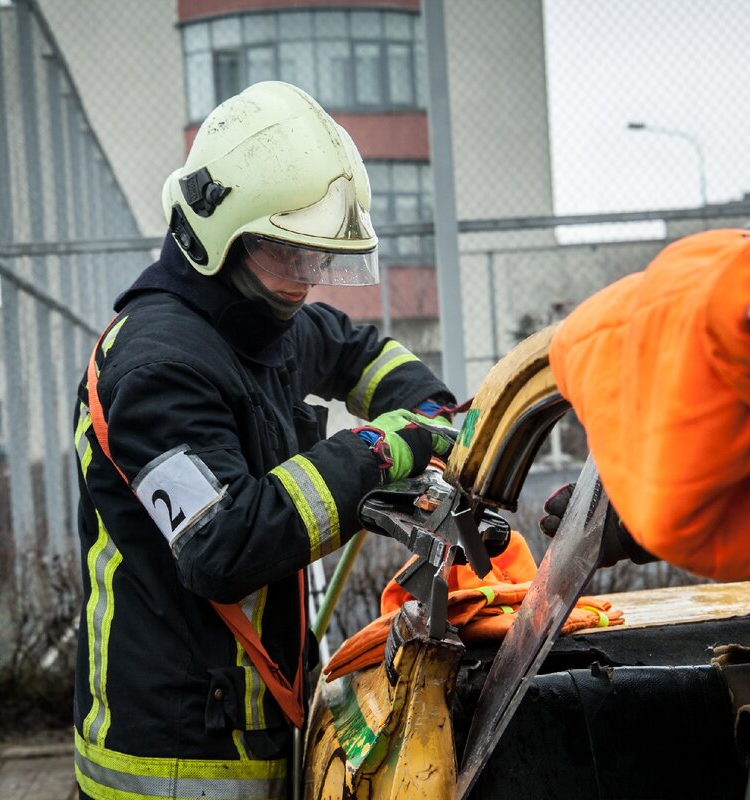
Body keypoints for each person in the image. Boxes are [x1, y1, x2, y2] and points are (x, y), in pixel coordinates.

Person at [71, 81, 455, 800]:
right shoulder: (159, 367)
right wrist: (379, 452)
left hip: (248, 729)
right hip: (176, 763)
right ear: (222, 236)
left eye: (317, 259)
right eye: (290, 255)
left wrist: (430, 410)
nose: (306, 283)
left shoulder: (256, 322)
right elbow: (224, 545)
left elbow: (357, 352)